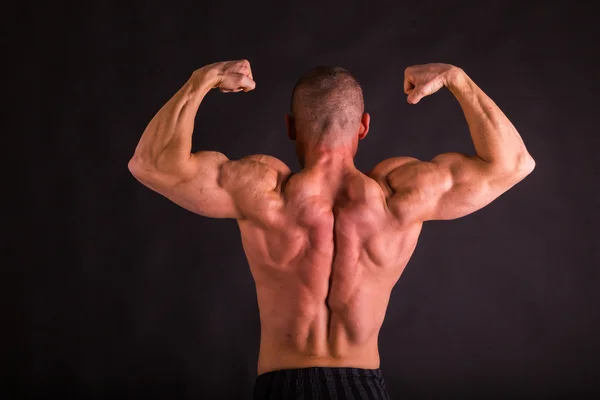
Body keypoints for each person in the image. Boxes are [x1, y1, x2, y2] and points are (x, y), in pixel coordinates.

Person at [128, 60, 535, 399]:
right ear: (364, 126)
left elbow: (150, 164)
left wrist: (202, 80)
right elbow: (513, 164)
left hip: (280, 388)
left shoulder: (261, 192)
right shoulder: (399, 196)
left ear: (290, 127)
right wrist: (456, 79)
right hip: (363, 388)